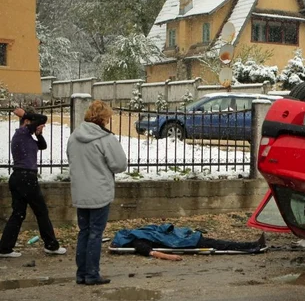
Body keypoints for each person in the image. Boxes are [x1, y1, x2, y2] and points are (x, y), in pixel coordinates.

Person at [67, 100, 127, 285]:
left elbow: (70, 158)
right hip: (99, 192)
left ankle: (81, 273)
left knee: (84, 232)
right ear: (103, 119)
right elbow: (119, 165)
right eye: (108, 117)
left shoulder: (74, 137)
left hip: (80, 192)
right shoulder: (106, 139)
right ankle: (92, 274)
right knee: (95, 234)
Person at [0, 107, 67, 258]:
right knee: (41, 211)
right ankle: (51, 245)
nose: (39, 124)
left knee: (18, 213)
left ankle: (5, 247)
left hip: (19, 178)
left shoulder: (27, 138)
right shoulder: (22, 133)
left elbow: (42, 146)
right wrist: (25, 114)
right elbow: (42, 118)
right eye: (33, 123)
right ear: (27, 122)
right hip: (25, 177)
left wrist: (39, 134)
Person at [111, 224, 267, 261]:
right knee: (222, 244)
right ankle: (252, 246)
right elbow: (152, 252)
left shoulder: (139, 235)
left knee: (221, 243)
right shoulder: (139, 241)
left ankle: (252, 245)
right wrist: (173, 257)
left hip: (185, 240)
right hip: (187, 243)